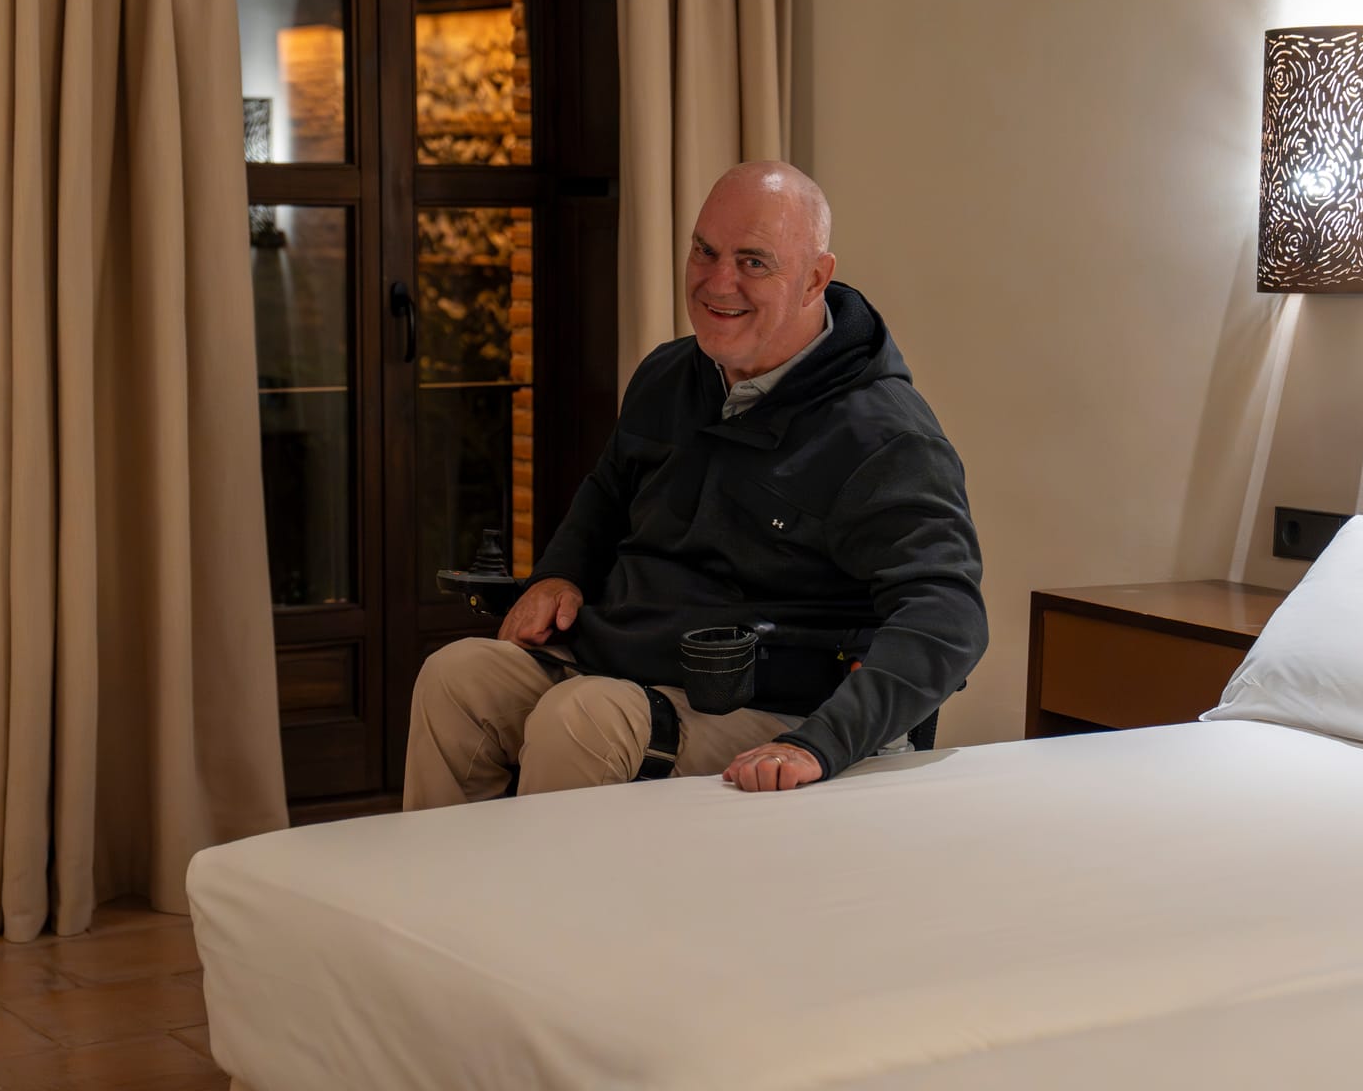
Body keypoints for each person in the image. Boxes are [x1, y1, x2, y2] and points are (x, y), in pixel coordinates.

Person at [403, 161, 985, 806]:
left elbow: (949, 618)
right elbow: (608, 491)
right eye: (704, 251)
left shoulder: (885, 437)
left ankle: (553, 907)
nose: (717, 281)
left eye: (753, 262)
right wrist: (558, 573)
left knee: (581, 718)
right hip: (625, 656)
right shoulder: (671, 373)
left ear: (816, 278)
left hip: (774, 706)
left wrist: (820, 742)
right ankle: (444, 899)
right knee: (457, 676)